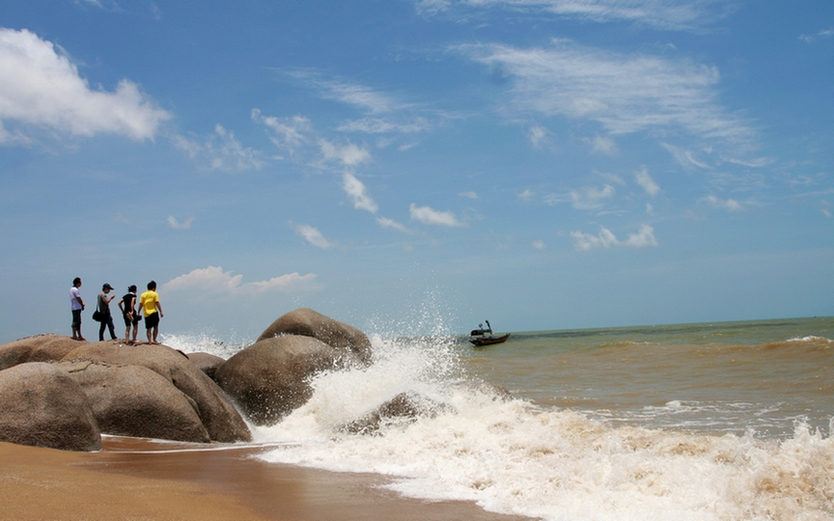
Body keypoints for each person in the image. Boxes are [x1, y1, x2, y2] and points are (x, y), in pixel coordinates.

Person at [139, 280, 164, 345]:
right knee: (156, 326)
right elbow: (157, 302)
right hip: (154, 312)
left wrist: (138, 312)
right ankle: (154, 339)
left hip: (146, 313)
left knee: (148, 328)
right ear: (153, 288)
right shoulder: (155, 294)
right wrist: (161, 311)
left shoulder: (143, 295)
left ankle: (150, 340)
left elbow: (141, 304)